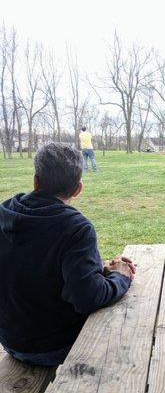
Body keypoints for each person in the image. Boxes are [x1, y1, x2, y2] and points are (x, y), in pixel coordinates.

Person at [0, 143, 135, 366]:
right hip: (54, 346)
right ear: (78, 189)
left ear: (35, 180)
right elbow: (88, 298)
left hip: (11, 341)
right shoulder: (76, 228)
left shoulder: (5, 214)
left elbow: (33, 267)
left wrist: (98, 270)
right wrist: (120, 277)